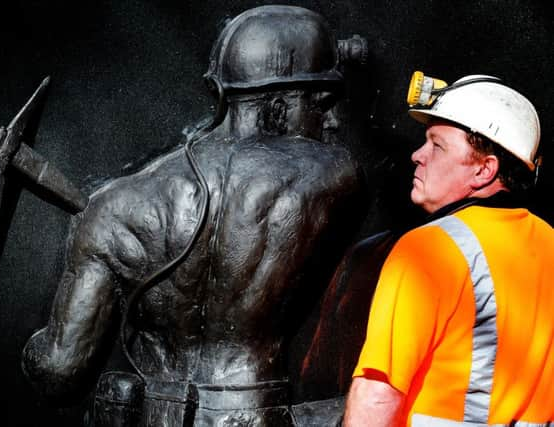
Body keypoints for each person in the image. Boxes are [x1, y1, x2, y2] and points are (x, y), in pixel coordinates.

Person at [21, 5, 368, 426]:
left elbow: (60, 373)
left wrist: (39, 345)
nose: (331, 120)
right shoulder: (333, 176)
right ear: (276, 107)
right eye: (321, 103)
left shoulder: (113, 208)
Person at [343, 71, 554, 426]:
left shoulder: (428, 250)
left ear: (484, 170)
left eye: (437, 145)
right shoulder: (549, 243)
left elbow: (378, 395)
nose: (417, 155)